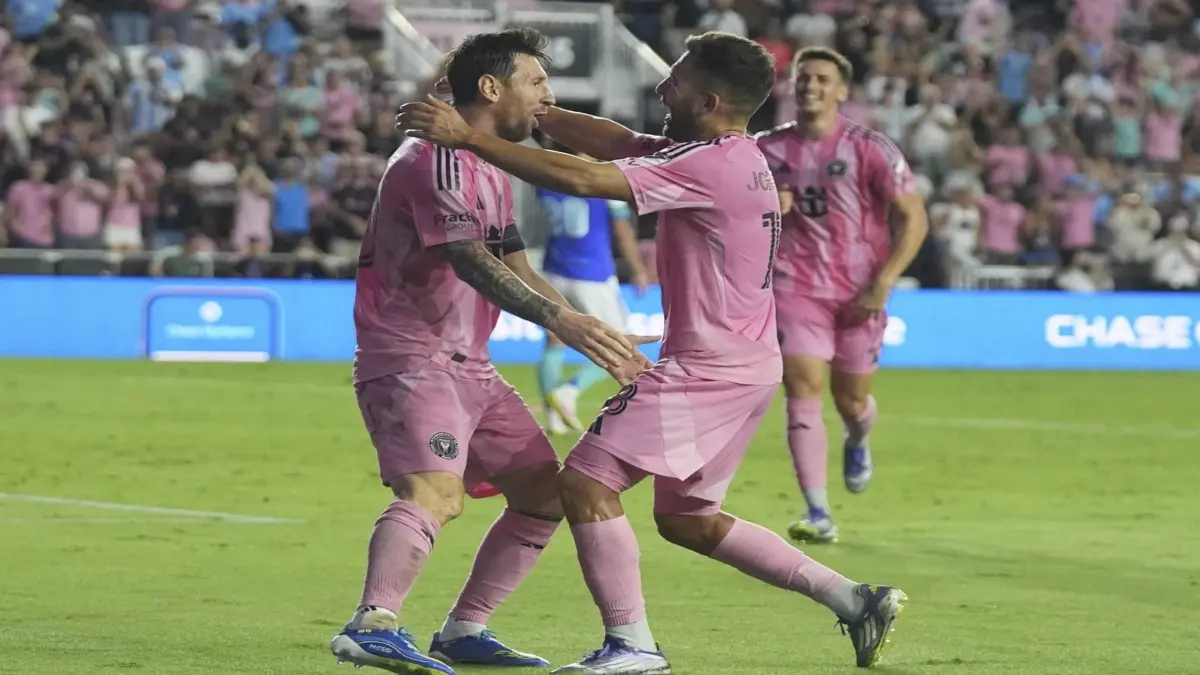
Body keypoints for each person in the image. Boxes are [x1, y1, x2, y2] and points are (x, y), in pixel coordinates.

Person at [399, 31, 905, 674]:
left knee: (584, 483)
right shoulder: (721, 151)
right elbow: (613, 142)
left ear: (709, 99)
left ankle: (632, 646)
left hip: (707, 369)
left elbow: (588, 176)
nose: (664, 87)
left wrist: (472, 136)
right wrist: (537, 114)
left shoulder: (708, 167)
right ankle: (854, 599)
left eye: (678, 79)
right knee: (689, 520)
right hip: (746, 367)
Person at [332, 29, 653, 675]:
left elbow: (510, 261)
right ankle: (372, 623)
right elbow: (467, 257)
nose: (547, 96)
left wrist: (583, 325)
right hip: (412, 356)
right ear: (490, 87)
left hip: (468, 362)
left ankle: (464, 629)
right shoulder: (435, 159)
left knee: (544, 493)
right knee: (435, 492)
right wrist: (563, 317)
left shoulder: (488, 163)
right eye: (536, 82)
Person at [754, 47, 929, 544]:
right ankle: (818, 511)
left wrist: (884, 281)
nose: (810, 85)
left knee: (852, 402)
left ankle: (858, 437)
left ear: (842, 91)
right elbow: (729, 214)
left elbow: (914, 217)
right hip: (795, 285)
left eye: (822, 79)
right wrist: (765, 206)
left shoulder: (871, 147)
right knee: (802, 389)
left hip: (860, 291)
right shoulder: (764, 150)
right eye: (803, 77)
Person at [536, 161, 651, 434]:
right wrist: (638, 270)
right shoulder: (600, 182)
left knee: (554, 341)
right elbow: (622, 232)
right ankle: (568, 391)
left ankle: (554, 418)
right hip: (592, 273)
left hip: (553, 270)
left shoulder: (546, 181)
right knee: (620, 342)